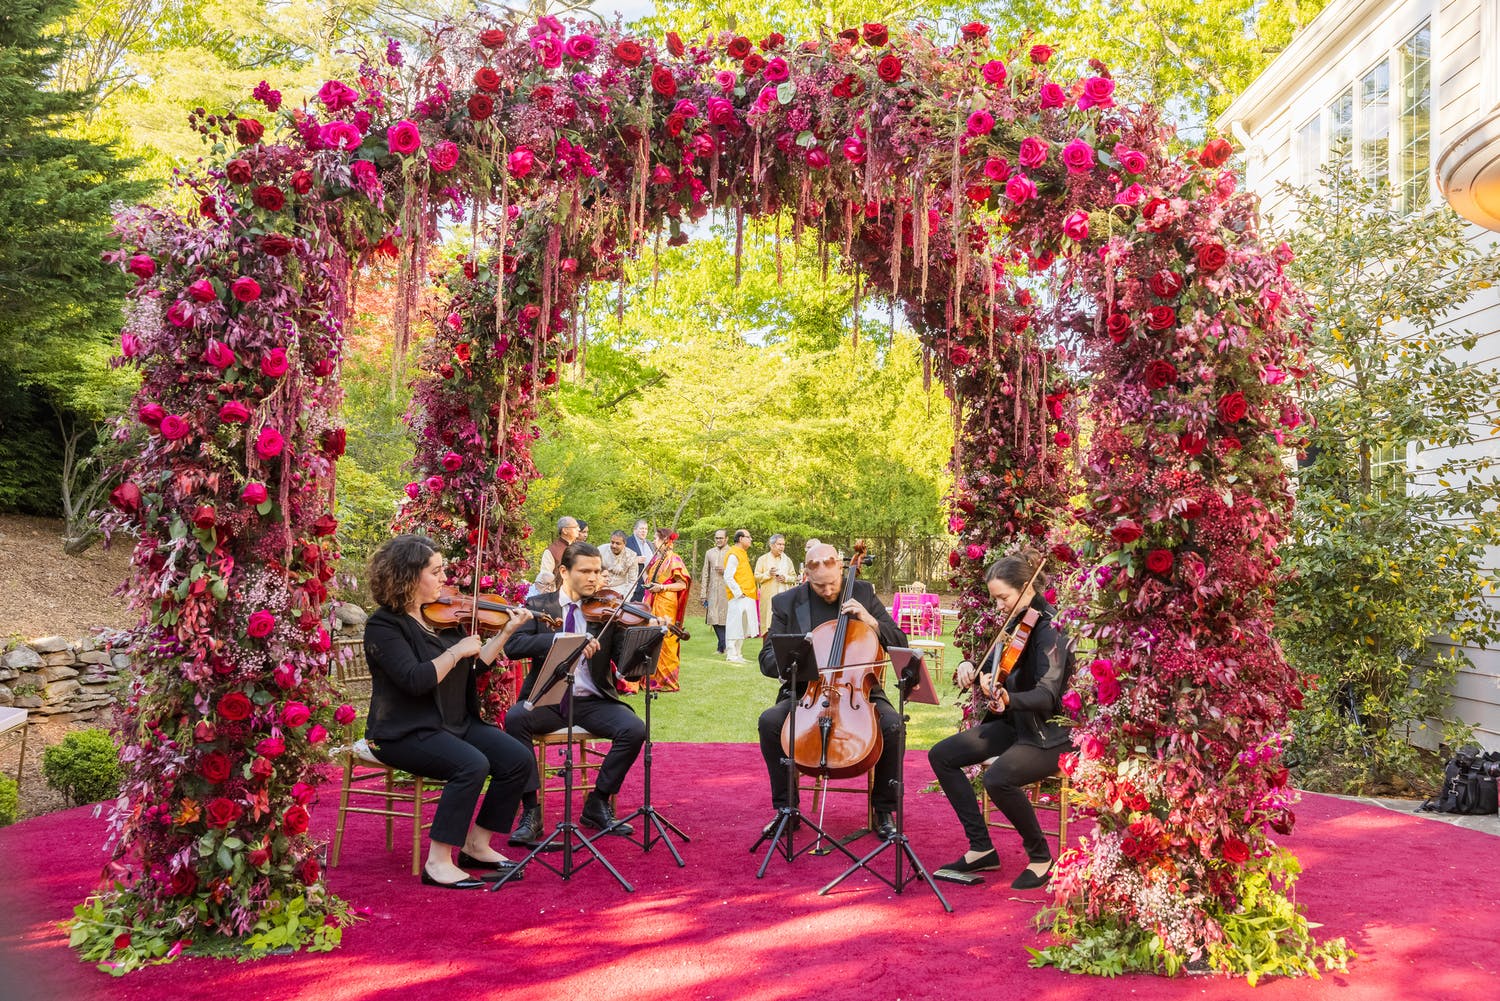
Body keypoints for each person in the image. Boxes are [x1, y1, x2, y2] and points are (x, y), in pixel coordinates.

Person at [361, 534, 538, 889]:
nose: (446, 579)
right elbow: (416, 679)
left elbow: (472, 670)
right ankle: (438, 862)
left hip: (454, 722)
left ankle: (476, 845)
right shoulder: (384, 626)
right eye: (437, 571)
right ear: (409, 576)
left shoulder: (443, 617)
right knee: (471, 764)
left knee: (518, 759)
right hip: (404, 731)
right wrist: (457, 651)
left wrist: (504, 633)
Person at [927, 551, 1074, 889]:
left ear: (1026, 587)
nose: (998, 606)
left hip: (1048, 734)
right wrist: (969, 667)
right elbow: (993, 666)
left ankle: (1040, 856)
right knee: (942, 755)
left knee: (997, 779)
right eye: (995, 598)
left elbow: (1049, 695)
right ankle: (981, 847)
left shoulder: (1050, 628)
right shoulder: (1017, 622)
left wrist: (1010, 698)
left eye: (1002, 597)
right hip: (1016, 725)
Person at [756, 542, 908, 841]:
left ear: (841, 568)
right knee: (770, 722)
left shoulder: (863, 593)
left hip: (857, 689)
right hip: (806, 692)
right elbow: (767, 659)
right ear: (806, 577)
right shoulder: (786, 602)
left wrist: (871, 620)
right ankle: (787, 810)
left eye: (833, 584)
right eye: (819, 586)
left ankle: (883, 811)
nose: (827, 591)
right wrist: (799, 654)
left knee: (893, 726)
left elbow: (899, 641)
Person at [503, 541, 654, 839]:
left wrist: (648, 636)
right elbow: (514, 647)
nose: (593, 579)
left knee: (635, 729)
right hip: (550, 697)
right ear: (564, 571)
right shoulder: (539, 606)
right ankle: (531, 811)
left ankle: (597, 803)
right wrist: (563, 638)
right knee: (516, 719)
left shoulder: (606, 610)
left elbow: (627, 664)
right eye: (585, 571)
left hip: (592, 700)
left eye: (597, 572)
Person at [643, 527, 690, 692]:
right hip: (653, 601)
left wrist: (661, 588)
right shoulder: (657, 559)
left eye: (656, 538)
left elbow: (682, 584)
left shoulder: (674, 559)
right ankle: (651, 678)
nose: (654, 541)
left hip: (666, 603)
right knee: (651, 636)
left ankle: (667, 680)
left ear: (666, 541)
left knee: (666, 638)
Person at [722, 529, 758, 663]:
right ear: (740, 538)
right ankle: (731, 654)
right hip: (739, 596)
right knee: (734, 624)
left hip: (748, 594)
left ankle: (738, 654)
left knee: (743, 626)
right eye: (748, 537)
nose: (751, 539)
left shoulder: (742, 553)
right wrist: (738, 592)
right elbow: (728, 577)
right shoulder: (733, 554)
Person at [754, 534, 796, 635]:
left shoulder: (787, 560)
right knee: (768, 626)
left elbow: (794, 578)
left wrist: (785, 578)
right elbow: (756, 577)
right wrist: (768, 574)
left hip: (784, 598)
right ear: (771, 545)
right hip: (768, 599)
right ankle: (767, 650)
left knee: (784, 627)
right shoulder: (762, 559)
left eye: (783, 544)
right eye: (779, 544)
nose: (782, 547)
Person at [534, 516, 580, 594]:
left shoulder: (580, 548)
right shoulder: (551, 551)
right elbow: (545, 580)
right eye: (575, 527)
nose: (578, 529)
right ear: (565, 530)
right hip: (560, 597)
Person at [700, 529, 728, 654]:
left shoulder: (732, 552)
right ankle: (724, 645)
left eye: (721, 538)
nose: (718, 540)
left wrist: (725, 571)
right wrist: (703, 594)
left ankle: (721, 647)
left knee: (725, 619)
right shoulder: (709, 553)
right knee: (713, 618)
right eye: (717, 538)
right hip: (712, 590)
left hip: (727, 590)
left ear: (726, 539)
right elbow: (705, 573)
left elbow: (738, 573)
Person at [624, 519, 654, 603]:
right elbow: (619, 560)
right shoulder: (627, 542)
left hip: (647, 585)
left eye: (646, 529)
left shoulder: (649, 544)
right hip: (632, 585)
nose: (644, 531)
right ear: (634, 530)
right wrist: (635, 560)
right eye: (641, 529)